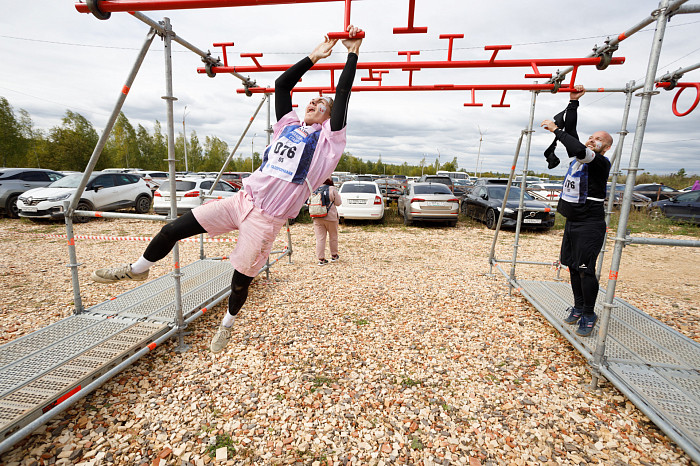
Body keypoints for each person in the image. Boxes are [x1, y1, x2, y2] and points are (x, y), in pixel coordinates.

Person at [91, 25, 363, 353]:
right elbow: (281, 85)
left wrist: (352, 53)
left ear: (329, 118)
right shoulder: (287, 126)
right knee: (173, 229)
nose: (314, 102)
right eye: (313, 100)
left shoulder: (329, 142)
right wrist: (314, 56)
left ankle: (227, 325)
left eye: (322, 104)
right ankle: (136, 270)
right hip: (241, 200)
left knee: (239, 281)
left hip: (266, 219)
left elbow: (343, 95)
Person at [541, 84, 613, 337]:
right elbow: (571, 133)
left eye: (599, 140)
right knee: (572, 266)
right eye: (591, 137)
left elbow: (576, 146)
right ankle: (579, 306)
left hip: (589, 224)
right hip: (572, 222)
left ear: (605, 148)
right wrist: (573, 102)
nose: (593, 140)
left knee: (585, 269)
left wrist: (556, 130)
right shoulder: (579, 157)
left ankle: (590, 313)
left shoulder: (599, 161)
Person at [312, 178, 342, 266]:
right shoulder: (332, 189)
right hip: (331, 217)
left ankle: (321, 259)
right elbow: (338, 203)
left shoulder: (315, 188)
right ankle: (334, 255)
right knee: (333, 236)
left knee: (320, 238)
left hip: (317, 216)